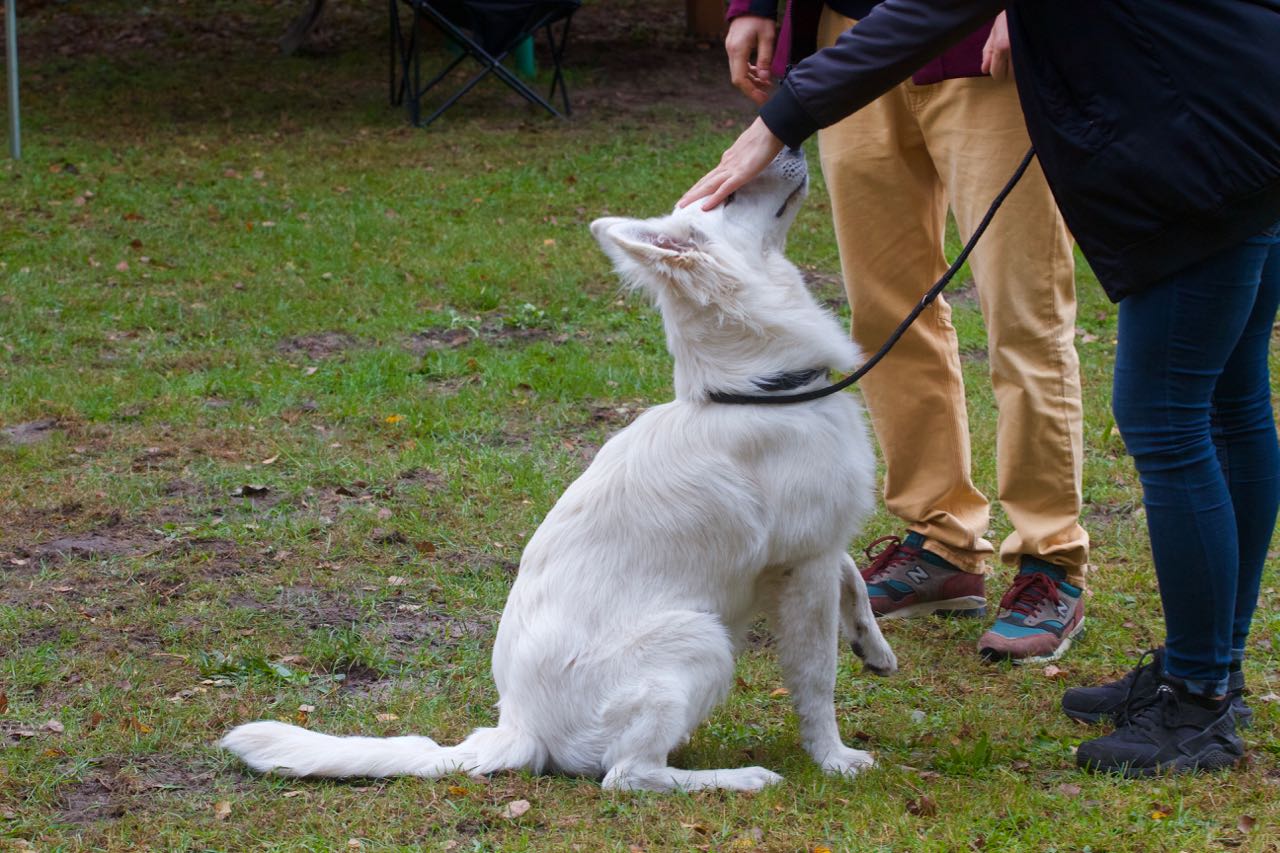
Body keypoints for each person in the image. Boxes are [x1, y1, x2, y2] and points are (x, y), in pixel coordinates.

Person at [681, 0, 1280, 776]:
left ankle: (1197, 700)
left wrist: (777, 122)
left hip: (1204, 132)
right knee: (1230, 405)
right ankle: (1204, 675)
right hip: (1235, 104)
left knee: (1167, 415)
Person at [722, 0, 1090, 667]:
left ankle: (1050, 557)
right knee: (883, 310)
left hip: (984, 31)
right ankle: (939, 540)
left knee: (1023, 310)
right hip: (852, 39)